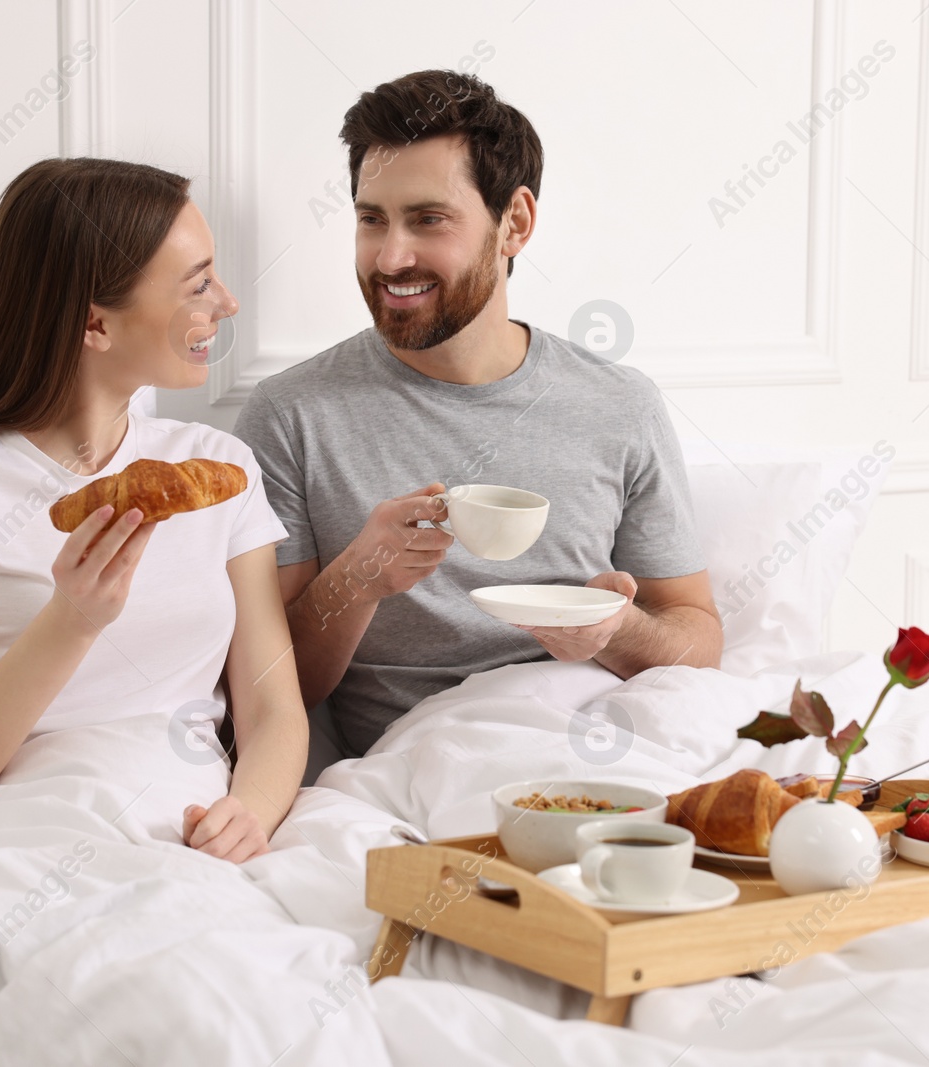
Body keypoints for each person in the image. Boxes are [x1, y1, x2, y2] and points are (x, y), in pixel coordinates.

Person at [233, 70, 723, 759]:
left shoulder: (618, 404)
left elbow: (697, 636)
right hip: (416, 767)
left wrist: (618, 630)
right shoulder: (291, 415)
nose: (390, 256)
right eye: (372, 218)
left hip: (594, 752)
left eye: (428, 219)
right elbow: (267, 692)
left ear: (514, 223)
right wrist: (358, 579)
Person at [0, 158, 306, 863]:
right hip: (29, 839)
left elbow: (275, 706)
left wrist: (248, 814)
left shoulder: (219, 470)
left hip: (195, 838)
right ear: (95, 322)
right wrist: (72, 623)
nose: (226, 302)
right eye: (198, 284)